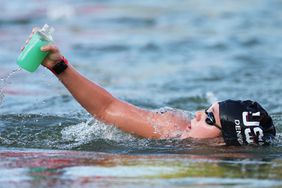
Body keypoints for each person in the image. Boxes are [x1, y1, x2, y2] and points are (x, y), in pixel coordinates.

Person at [22, 28, 276, 146]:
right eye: (207, 110)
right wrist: (59, 66)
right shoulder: (171, 128)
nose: (198, 114)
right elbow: (108, 108)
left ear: (226, 144)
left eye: (209, 119)